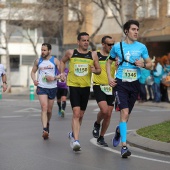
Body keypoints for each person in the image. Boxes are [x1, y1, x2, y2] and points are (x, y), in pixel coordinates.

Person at [106, 20, 152, 158]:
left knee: (127, 116)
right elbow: (108, 62)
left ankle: (120, 130)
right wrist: (109, 77)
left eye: (137, 29)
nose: (136, 32)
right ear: (126, 31)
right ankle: (124, 147)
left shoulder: (142, 47)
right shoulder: (117, 47)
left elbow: (150, 64)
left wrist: (143, 64)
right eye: (133, 29)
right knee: (124, 113)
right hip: (121, 83)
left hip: (135, 83)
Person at [60, 32, 101, 151]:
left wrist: (95, 70)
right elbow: (62, 61)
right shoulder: (71, 53)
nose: (86, 42)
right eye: (83, 40)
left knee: (81, 115)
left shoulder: (93, 55)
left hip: (86, 87)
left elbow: (99, 70)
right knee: (76, 113)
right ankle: (76, 140)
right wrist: (62, 73)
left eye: (87, 40)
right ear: (78, 42)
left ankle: (73, 134)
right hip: (74, 86)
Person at [31, 43, 60, 140]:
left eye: (44, 50)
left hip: (52, 87)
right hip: (41, 86)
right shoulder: (38, 61)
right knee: (44, 107)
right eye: (41, 50)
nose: (42, 52)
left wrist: (54, 77)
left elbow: (62, 75)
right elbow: (33, 72)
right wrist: (34, 80)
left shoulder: (55, 61)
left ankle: (47, 123)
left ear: (49, 51)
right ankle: (44, 130)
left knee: (49, 110)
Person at [92, 36, 116, 147]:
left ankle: (101, 137)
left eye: (113, 44)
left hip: (111, 86)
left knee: (109, 114)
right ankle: (97, 123)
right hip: (99, 85)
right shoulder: (95, 54)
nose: (111, 46)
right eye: (109, 44)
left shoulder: (115, 56)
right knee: (104, 110)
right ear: (103, 44)